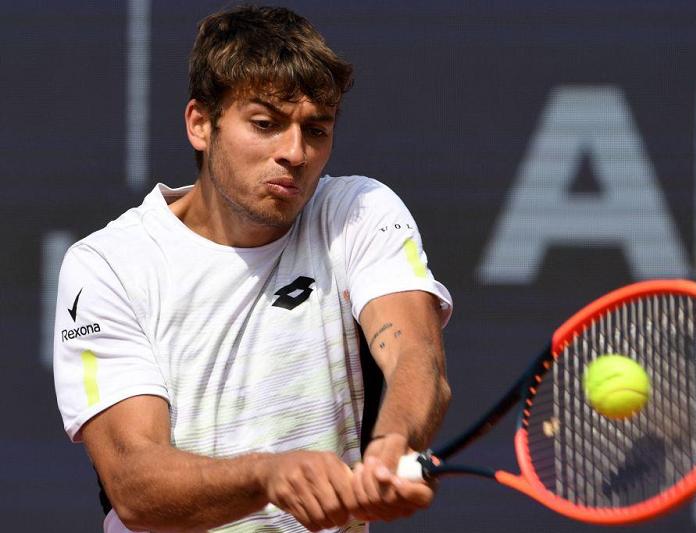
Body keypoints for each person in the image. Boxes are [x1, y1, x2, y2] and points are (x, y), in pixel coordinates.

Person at [53, 5, 452, 532]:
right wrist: (266, 476)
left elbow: (416, 355)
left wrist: (392, 445)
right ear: (200, 124)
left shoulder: (357, 212)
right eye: (266, 124)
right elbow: (135, 483)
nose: (295, 152)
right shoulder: (108, 265)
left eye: (316, 130)